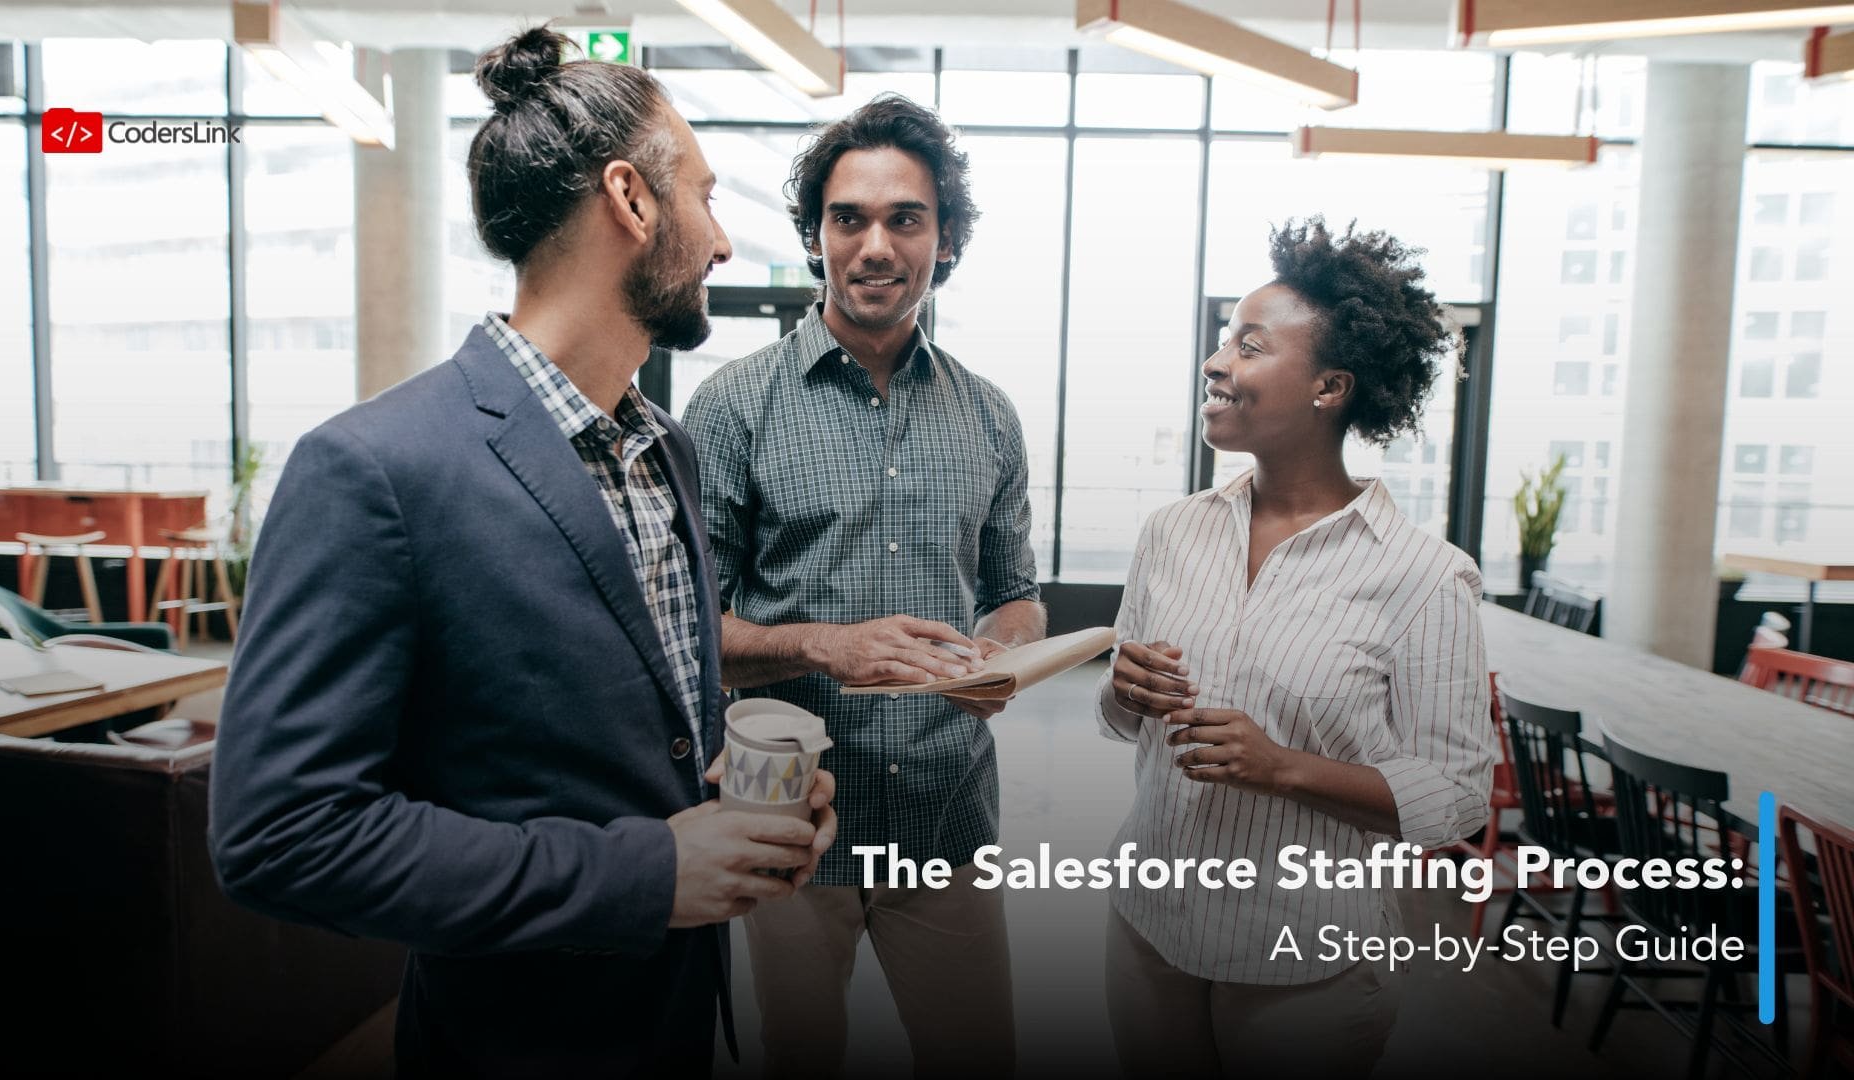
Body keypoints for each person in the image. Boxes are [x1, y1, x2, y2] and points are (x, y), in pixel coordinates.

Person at [208, 27, 836, 1077]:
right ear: (632, 200)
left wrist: (741, 799)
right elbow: (282, 834)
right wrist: (647, 873)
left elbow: (636, 730)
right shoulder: (373, 468)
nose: (723, 243)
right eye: (706, 197)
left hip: (678, 1023)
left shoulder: (666, 449)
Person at [683, 94, 1044, 1076]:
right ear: (816, 236)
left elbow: (1015, 590)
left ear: (945, 238)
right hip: (787, 814)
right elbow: (691, 633)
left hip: (945, 810)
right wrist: (824, 645)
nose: (876, 246)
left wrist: (1005, 653)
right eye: (849, 218)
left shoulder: (991, 416)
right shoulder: (732, 407)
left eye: (905, 219)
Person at [1098, 217, 1492, 1077]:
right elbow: (1123, 720)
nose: (1216, 363)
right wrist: (1124, 691)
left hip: (1307, 959)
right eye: (1222, 342)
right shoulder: (1171, 532)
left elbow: (1460, 797)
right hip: (1149, 927)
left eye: (1249, 345)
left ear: (1329, 387)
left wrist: (1282, 768)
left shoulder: (1426, 576)